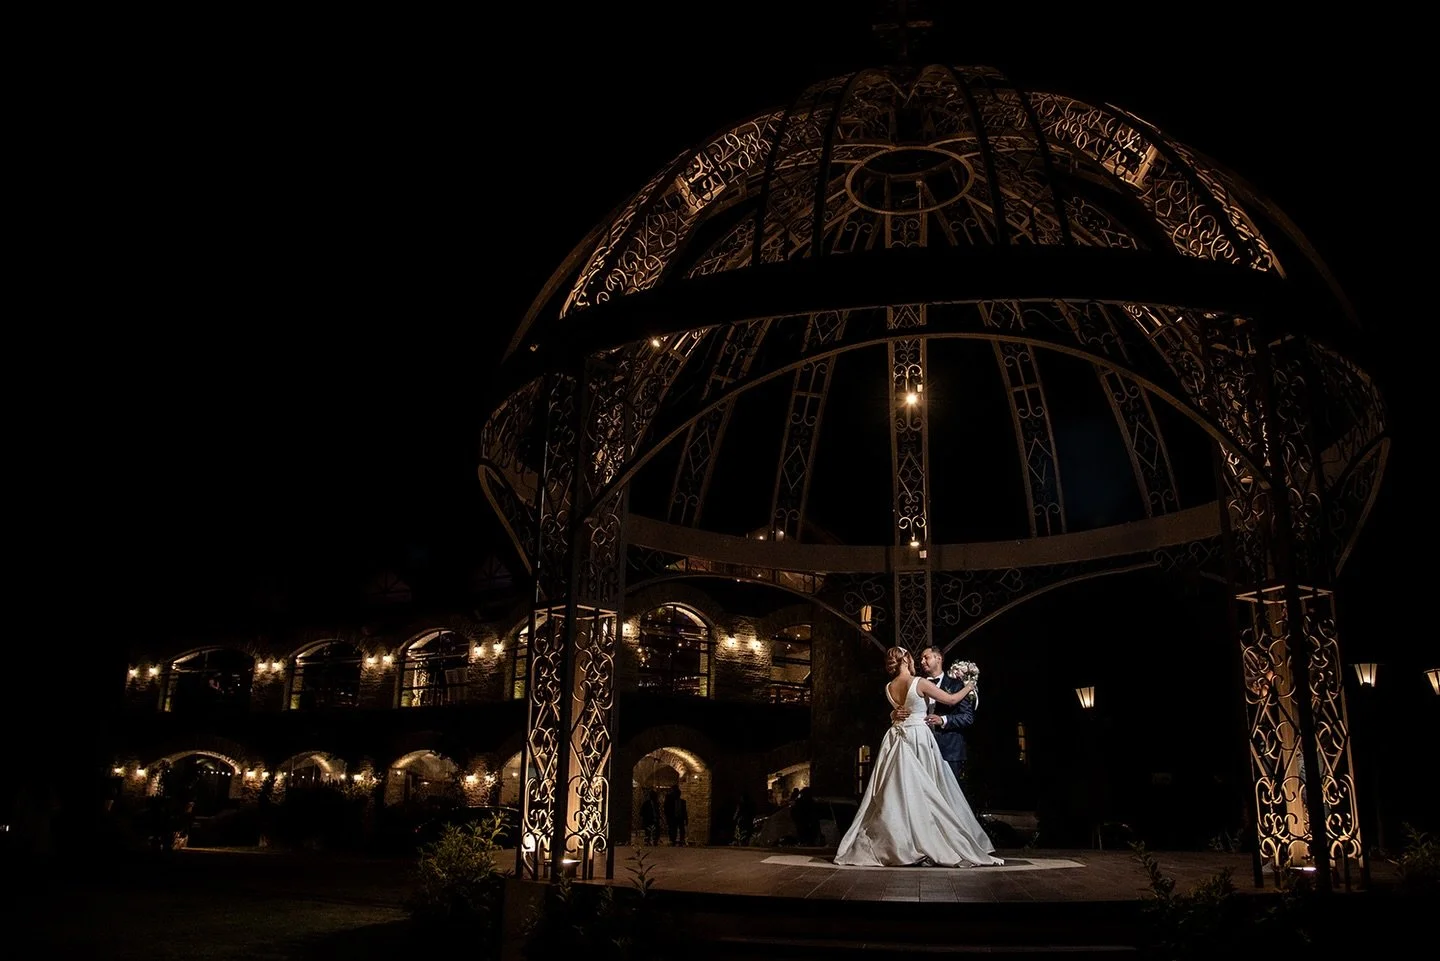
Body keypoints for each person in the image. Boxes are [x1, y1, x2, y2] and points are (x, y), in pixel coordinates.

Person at [834, 646, 1003, 868]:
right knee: (926, 792)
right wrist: (969, 686)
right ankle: (927, 839)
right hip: (918, 738)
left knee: (899, 793)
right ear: (905, 659)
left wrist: (894, 713)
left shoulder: (888, 687)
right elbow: (951, 700)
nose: (918, 660)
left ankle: (900, 842)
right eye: (913, 657)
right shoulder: (920, 682)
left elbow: (900, 709)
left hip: (895, 739)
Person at [892, 645, 974, 784]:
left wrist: (943, 720)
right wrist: (894, 713)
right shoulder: (916, 683)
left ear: (938, 658)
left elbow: (967, 717)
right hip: (920, 747)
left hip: (949, 750)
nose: (922, 661)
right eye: (921, 659)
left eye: (926, 657)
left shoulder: (956, 685)